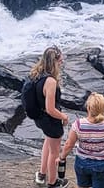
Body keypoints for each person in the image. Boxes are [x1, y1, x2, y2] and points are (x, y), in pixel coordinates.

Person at [32, 46, 70, 188]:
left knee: (47, 143)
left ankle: (42, 175)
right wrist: (64, 117)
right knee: (54, 152)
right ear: (54, 62)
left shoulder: (37, 74)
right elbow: (50, 109)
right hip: (50, 121)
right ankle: (53, 183)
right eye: (60, 61)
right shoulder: (51, 82)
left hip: (40, 118)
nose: (62, 62)